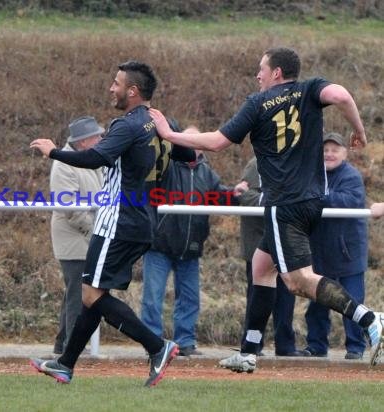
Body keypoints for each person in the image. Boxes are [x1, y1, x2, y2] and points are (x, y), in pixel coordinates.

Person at [149, 46, 384, 373]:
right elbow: (343, 95)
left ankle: (371, 319)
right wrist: (359, 132)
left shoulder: (257, 103)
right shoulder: (310, 88)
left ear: (276, 73)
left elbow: (216, 142)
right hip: (312, 201)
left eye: (262, 69)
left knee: (298, 280)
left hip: (284, 204)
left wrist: (168, 134)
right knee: (262, 268)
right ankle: (248, 352)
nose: (258, 75)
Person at [29, 61, 179, 387]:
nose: (111, 88)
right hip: (143, 220)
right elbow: (191, 157)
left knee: (92, 294)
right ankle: (66, 364)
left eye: (116, 83)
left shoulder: (126, 125)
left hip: (117, 221)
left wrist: (53, 151)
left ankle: (157, 346)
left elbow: (95, 157)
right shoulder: (162, 122)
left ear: (133, 91)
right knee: (93, 295)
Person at [141, 135, 236, 357]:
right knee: (153, 298)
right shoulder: (166, 166)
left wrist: (235, 193)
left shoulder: (207, 173)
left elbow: (219, 197)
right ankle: (152, 342)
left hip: (191, 247)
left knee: (190, 298)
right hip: (160, 244)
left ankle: (185, 342)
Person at [303, 132, 368, 360]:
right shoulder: (312, 174)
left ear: (344, 153)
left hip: (348, 252)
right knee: (318, 302)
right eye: (325, 150)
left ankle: (356, 348)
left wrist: (320, 196)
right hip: (319, 251)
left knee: (353, 302)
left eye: (334, 150)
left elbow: (349, 201)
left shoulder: (351, 176)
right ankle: (316, 345)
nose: (329, 154)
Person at [235, 156, 307, 357]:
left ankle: (285, 346)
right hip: (260, 242)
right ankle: (251, 346)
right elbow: (244, 195)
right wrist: (277, 200)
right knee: (258, 298)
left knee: (287, 296)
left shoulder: (302, 163)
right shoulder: (257, 163)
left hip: (287, 242)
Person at [50, 116, 103, 355]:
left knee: (74, 292)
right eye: (96, 136)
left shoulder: (88, 160)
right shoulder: (65, 165)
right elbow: (70, 208)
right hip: (74, 239)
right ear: (83, 143)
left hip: (82, 237)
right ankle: (72, 347)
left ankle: (64, 344)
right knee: (77, 295)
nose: (101, 139)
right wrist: (95, 231)